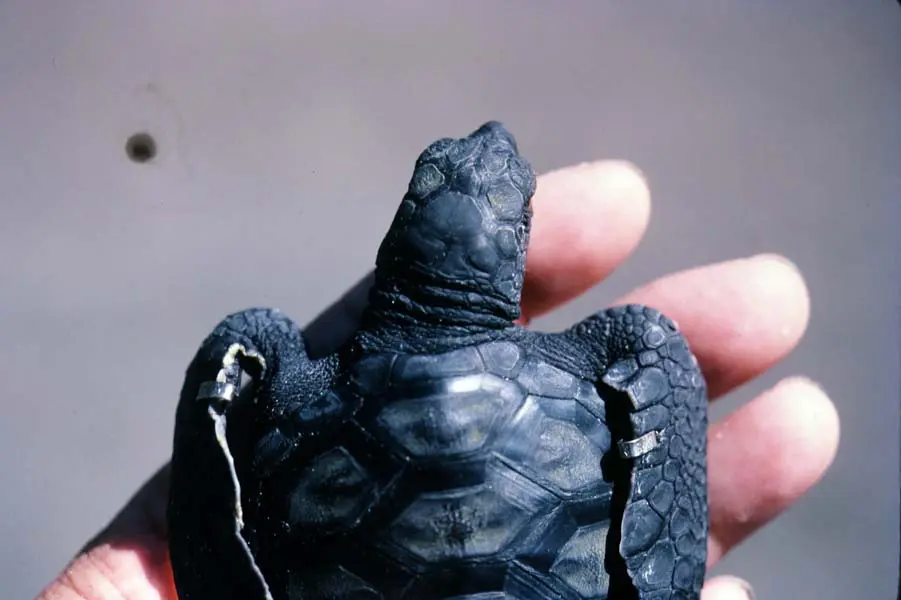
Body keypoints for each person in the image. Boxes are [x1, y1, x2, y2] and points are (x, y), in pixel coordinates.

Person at [36, 160, 839, 600]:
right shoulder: (619, 353)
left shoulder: (275, 368)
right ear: (514, 248)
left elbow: (212, 497)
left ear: (399, 240)